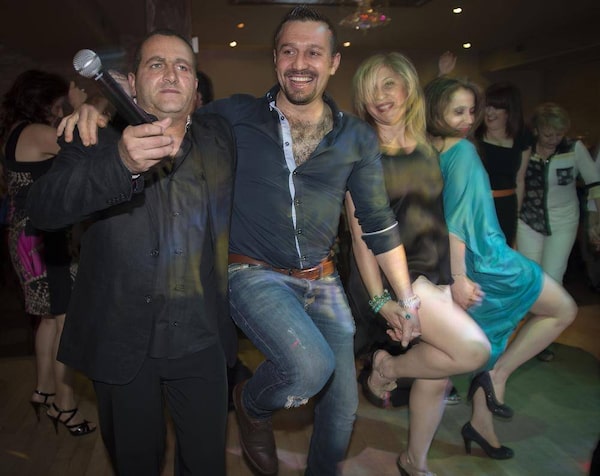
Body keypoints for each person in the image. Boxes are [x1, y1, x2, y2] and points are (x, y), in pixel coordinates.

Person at [60, 8, 424, 475]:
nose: (300, 63)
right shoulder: (232, 117)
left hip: (323, 277)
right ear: (275, 59)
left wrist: (403, 299)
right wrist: (102, 106)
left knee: (342, 407)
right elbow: (167, 109)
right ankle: (251, 403)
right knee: (309, 367)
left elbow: (376, 222)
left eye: (314, 53)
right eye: (289, 51)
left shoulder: (355, 137)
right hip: (253, 273)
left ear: (334, 62)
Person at [26, 30, 237, 476]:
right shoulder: (93, 139)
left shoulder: (220, 137)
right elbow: (43, 209)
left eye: (183, 66)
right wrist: (119, 163)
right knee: (135, 464)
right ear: (133, 82)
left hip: (202, 341)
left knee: (206, 466)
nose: (171, 74)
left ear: (195, 87)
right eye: (156, 64)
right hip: (123, 343)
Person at [346, 52, 490, 476]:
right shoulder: (360, 152)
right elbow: (359, 237)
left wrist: (458, 275)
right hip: (396, 278)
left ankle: (414, 460)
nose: (379, 96)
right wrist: (380, 301)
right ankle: (385, 367)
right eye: (370, 89)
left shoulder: (430, 144)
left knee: (437, 375)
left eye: (388, 84)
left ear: (408, 86)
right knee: (473, 349)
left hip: (436, 270)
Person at [423, 75, 577, 459]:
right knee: (562, 310)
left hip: (470, 261)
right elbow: (456, 223)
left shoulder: (432, 149)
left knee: (487, 342)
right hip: (488, 261)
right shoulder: (462, 151)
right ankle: (497, 377)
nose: (468, 119)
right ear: (436, 111)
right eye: (458, 111)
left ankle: (480, 423)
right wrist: (460, 279)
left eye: (471, 111)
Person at [0, 70, 96, 436]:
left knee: (49, 320)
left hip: (24, 237)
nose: (60, 111)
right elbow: (88, 148)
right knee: (65, 322)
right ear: (43, 103)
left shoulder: (14, 132)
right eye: (57, 105)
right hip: (45, 239)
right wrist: (81, 107)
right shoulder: (38, 132)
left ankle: (43, 390)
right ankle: (64, 405)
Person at [517, 103, 600, 361]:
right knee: (531, 278)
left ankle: (541, 340)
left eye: (559, 134)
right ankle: (529, 331)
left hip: (563, 222)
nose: (554, 139)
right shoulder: (525, 148)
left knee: (553, 278)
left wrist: (596, 221)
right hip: (527, 220)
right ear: (537, 130)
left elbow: (595, 183)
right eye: (548, 134)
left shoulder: (573, 149)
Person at [474, 82, 532, 247]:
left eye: (496, 107)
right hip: (478, 206)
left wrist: (516, 214)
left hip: (507, 207)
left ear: (509, 111)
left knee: (504, 254)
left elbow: (520, 180)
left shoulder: (522, 136)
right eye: (487, 106)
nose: (489, 112)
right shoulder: (474, 135)